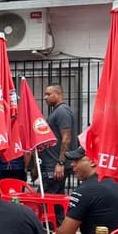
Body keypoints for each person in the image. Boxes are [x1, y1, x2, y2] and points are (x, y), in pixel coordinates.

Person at [55, 147, 118, 234]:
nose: (72, 164)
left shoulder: (86, 189)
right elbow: (114, 223)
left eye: (76, 160)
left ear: (93, 162)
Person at [39, 85, 77, 221]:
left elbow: (66, 138)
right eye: (44, 94)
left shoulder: (62, 112)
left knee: (47, 200)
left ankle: (51, 229)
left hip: (55, 165)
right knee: (55, 201)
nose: (45, 97)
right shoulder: (58, 111)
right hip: (52, 164)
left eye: (48, 94)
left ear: (58, 94)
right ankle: (58, 228)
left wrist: (60, 162)